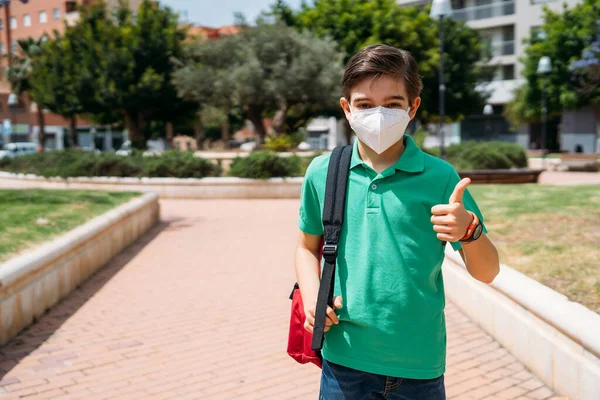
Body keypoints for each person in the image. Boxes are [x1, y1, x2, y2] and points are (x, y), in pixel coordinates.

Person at [294, 44, 500, 399]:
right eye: (364, 105)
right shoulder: (323, 172)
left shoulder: (440, 177)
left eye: (392, 104)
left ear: (413, 107)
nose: (378, 115)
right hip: (344, 360)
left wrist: (469, 231)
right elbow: (306, 247)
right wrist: (313, 298)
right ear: (346, 109)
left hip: (419, 365)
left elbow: (487, 272)